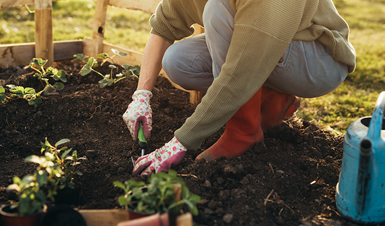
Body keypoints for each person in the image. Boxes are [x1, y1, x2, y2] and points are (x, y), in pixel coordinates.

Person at [122, 0, 356, 176]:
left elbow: (240, 72)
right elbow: (164, 25)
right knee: (178, 61)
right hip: (263, 44)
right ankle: (273, 99)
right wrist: (141, 96)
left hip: (317, 59)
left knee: (217, 7)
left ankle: (243, 131)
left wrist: (180, 142)